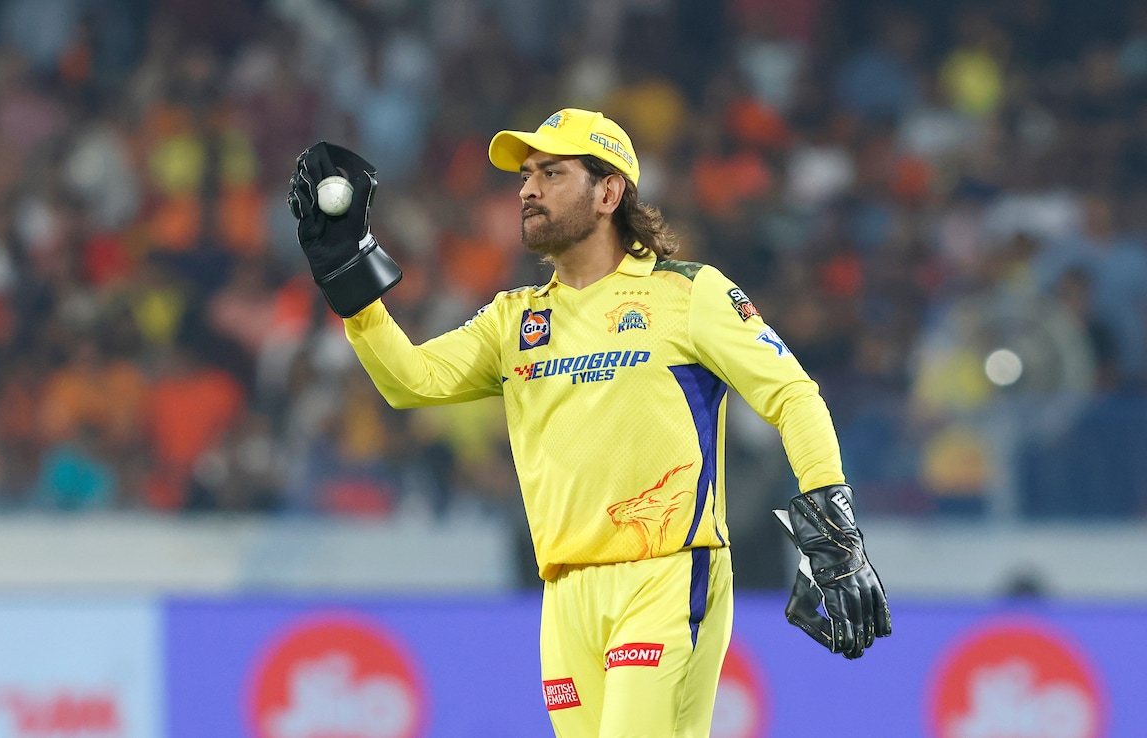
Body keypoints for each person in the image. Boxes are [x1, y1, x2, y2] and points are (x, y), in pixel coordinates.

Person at [287, 108, 891, 737]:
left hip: (665, 574)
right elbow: (410, 381)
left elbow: (793, 394)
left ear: (608, 193)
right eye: (525, 176)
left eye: (551, 173)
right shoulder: (513, 319)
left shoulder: (688, 293)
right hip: (564, 592)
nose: (528, 189)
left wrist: (833, 527)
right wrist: (350, 285)